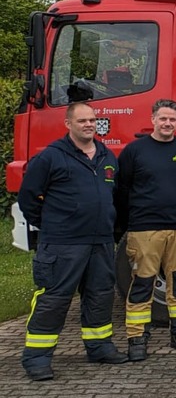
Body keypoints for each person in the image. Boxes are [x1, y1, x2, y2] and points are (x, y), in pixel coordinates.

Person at [18, 102, 127, 381]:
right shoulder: (51, 158)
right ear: (68, 124)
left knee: (100, 296)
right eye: (82, 121)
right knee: (54, 299)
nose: (89, 124)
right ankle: (38, 358)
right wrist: (53, 224)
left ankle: (99, 346)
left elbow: (115, 196)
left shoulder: (107, 157)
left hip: (100, 242)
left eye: (92, 120)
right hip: (63, 243)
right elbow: (28, 197)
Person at [115, 98, 176, 360]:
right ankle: (137, 337)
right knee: (143, 282)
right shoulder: (135, 151)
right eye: (163, 118)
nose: (168, 123)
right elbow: (123, 188)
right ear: (153, 119)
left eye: (173, 119)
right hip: (145, 228)